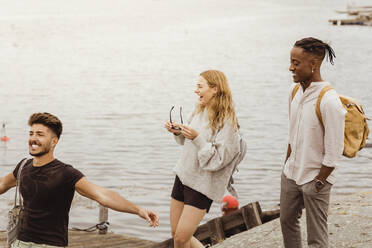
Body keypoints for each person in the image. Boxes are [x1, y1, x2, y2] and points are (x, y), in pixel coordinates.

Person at [0, 112, 159, 248]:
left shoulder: (65, 173)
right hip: (20, 243)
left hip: (49, 245)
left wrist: (138, 210)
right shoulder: (23, 167)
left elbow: (103, 195)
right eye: (31, 133)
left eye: (40, 134)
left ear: (54, 141)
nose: (33, 139)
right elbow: (2, 184)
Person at [281, 37, 346, 248]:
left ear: (314, 65)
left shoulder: (329, 101)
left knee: (316, 239)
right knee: (287, 223)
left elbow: (334, 152)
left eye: (296, 63)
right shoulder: (294, 92)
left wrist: (318, 182)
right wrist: (286, 167)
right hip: (291, 174)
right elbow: (292, 136)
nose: (290, 67)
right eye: (291, 61)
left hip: (315, 179)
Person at [164, 70, 241, 248]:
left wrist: (197, 138)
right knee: (176, 234)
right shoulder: (200, 110)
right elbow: (187, 141)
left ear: (214, 89)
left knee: (182, 239)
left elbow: (219, 160)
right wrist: (178, 131)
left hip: (203, 184)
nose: (195, 90)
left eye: (200, 86)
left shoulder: (228, 121)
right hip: (183, 175)